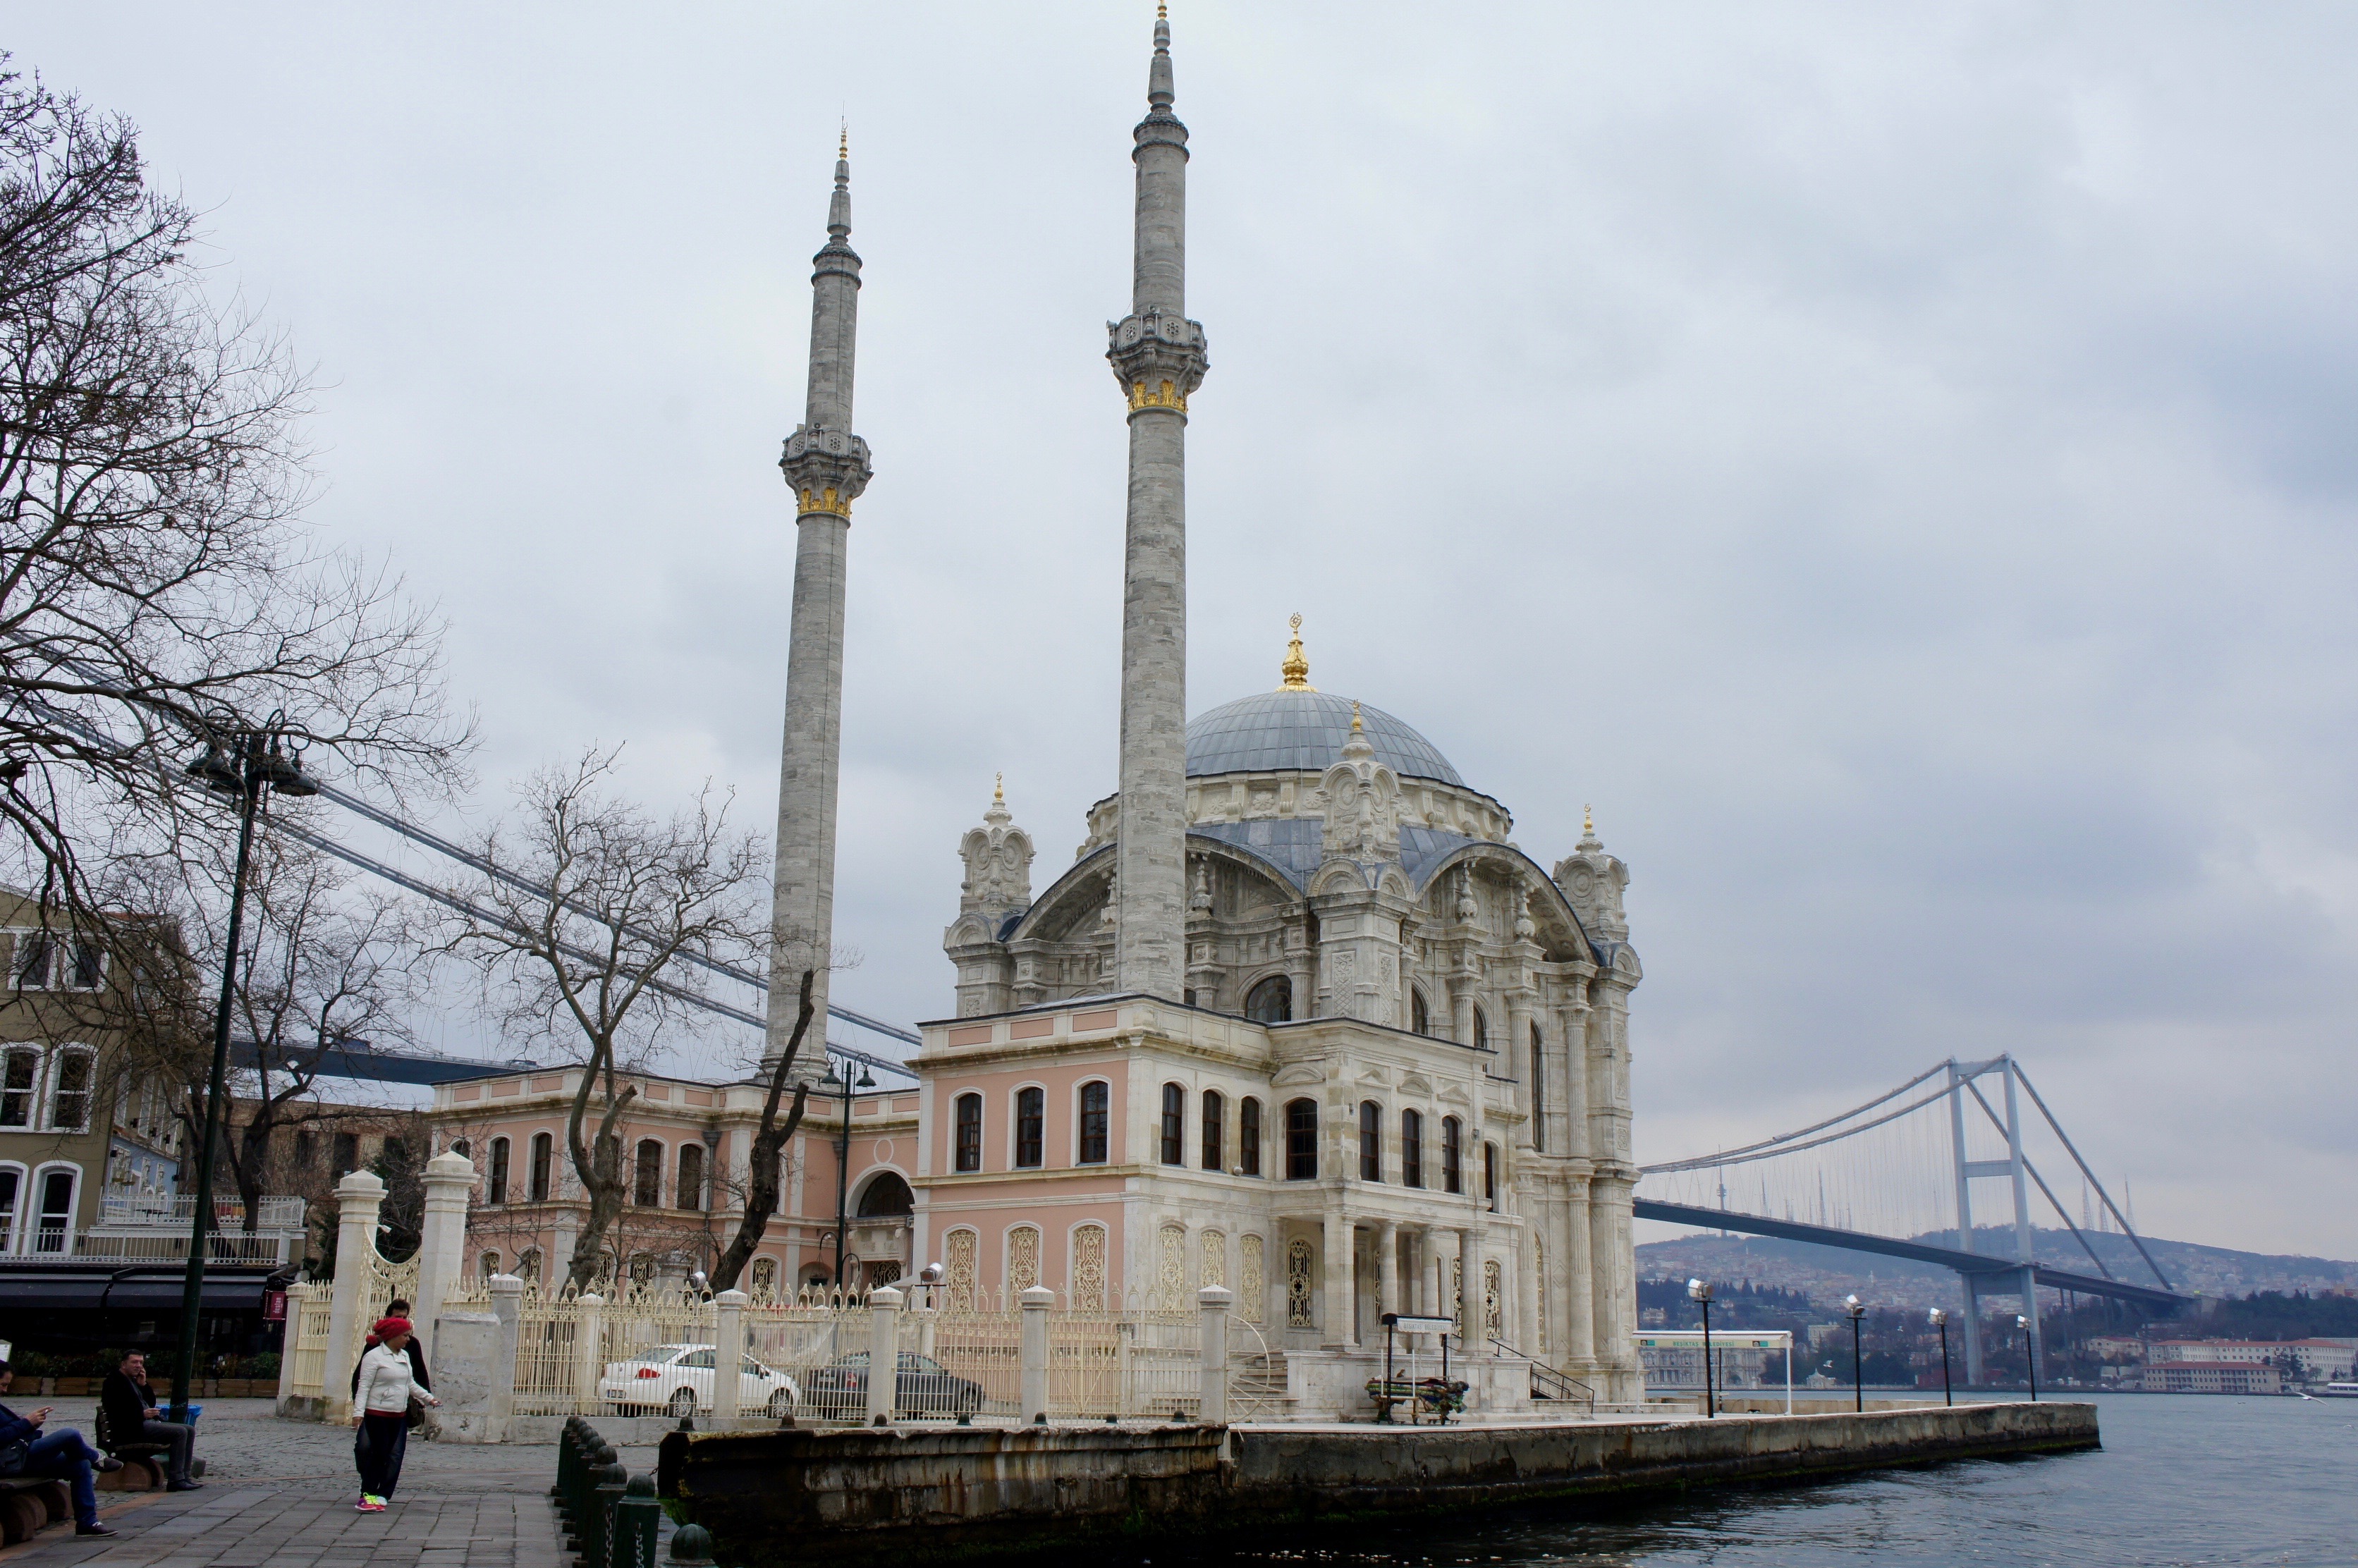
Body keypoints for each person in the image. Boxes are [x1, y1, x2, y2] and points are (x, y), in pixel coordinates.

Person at [0, 1359, 120, 1536]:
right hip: (11, 1461)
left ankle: (88, 1521)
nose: (5, 1390)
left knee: (80, 1464)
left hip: (20, 1453)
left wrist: (31, 1425)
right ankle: (96, 1459)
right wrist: (26, 1423)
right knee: (69, 1434)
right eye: (3, 1385)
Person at [353, 1318, 439, 1512]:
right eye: (405, 1336)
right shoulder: (374, 1357)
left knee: (390, 1455)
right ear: (392, 1336)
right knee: (379, 1454)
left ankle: (378, 1494)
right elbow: (364, 1386)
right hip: (377, 1413)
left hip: (398, 1415)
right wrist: (358, 1413)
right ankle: (367, 1496)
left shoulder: (405, 1356)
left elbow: (409, 1383)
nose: (408, 1340)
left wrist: (428, 1398)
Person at [100, 1352, 199, 1492]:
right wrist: (141, 1415)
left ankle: (185, 1476)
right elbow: (115, 1411)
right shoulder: (114, 1382)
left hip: (142, 1424)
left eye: (141, 1363)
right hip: (130, 1430)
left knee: (189, 1429)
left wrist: (143, 1385)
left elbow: (150, 1403)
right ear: (123, 1364)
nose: (138, 1366)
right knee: (180, 1432)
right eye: (134, 1362)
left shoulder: (133, 1381)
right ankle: (176, 1480)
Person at [348, 1298, 432, 1399]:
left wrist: (428, 1399)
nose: (401, 1321)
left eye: (404, 1317)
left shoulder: (412, 1344)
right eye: (397, 1317)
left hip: (404, 1404)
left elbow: (420, 1373)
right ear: (388, 1318)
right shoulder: (374, 1345)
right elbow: (361, 1377)